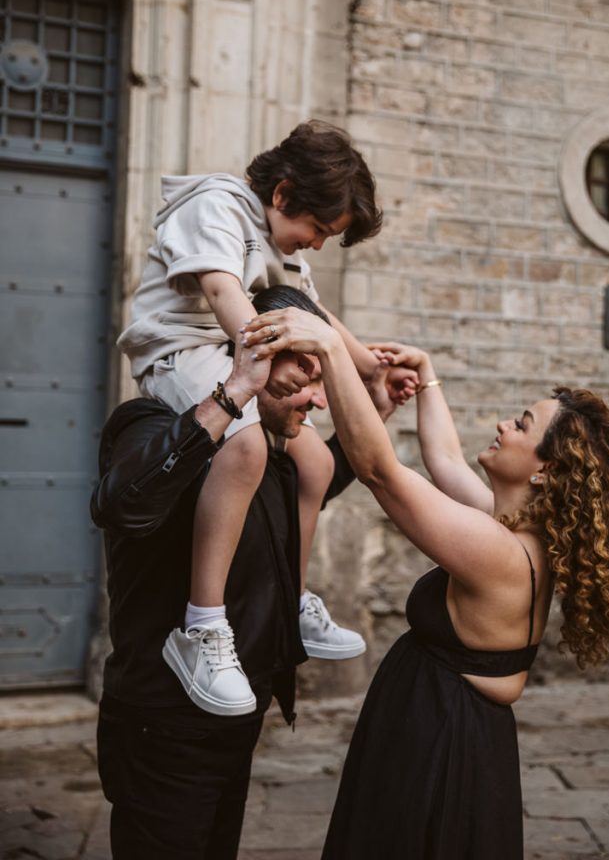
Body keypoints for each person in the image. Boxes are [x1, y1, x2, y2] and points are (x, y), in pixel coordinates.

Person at [242, 310, 609, 860]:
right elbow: (443, 461)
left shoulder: (499, 554)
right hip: (440, 725)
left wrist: (333, 352)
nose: (505, 425)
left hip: (437, 740)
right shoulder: (514, 531)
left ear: (545, 473)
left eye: (522, 425)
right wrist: (427, 373)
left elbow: (379, 470)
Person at [116, 121, 415, 716]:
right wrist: (260, 362)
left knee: (310, 462)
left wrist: (369, 367)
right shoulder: (216, 204)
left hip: (228, 351)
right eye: (320, 230)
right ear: (282, 194)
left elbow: (317, 315)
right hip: (178, 350)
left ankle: (296, 601)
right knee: (246, 445)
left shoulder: (279, 243)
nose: (319, 245)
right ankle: (201, 627)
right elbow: (225, 292)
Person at [92, 287, 398, 860]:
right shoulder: (151, 421)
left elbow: (311, 491)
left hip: (236, 714)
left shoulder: (271, 448)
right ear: (252, 357)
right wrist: (233, 395)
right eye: (300, 380)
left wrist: (377, 408)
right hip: (164, 724)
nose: (316, 400)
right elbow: (121, 505)